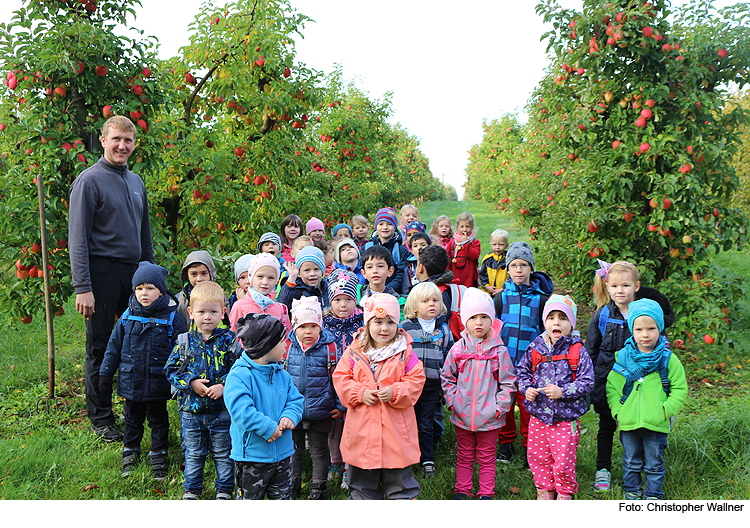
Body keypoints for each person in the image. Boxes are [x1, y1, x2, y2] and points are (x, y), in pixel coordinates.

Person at [68, 115, 155, 443]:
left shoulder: (136, 182)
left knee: (137, 342)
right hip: (101, 274)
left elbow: (144, 234)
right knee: (101, 347)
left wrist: (151, 277)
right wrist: (84, 287)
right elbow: (77, 238)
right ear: (103, 140)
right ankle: (101, 417)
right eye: (116, 139)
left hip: (133, 274)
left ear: (134, 145)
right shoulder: (89, 181)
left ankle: (133, 409)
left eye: (128, 141)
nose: (122, 146)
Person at [587, 260, 674, 492]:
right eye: (614, 286)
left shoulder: (648, 313)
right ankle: (602, 469)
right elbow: (590, 352)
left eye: (625, 285)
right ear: (607, 287)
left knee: (639, 429)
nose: (619, 291)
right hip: (608, 383)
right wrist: (590, 383)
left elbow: (661, 349)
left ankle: (642, 469)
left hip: (641, 385)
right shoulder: (602, 316)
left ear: (636, 286)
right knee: (606, 426)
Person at [332, 293, 426, 500]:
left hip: (396, 435)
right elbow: (340, 378)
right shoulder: (354, 351)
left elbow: (416, 380)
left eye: (390, 322)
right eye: (378, 322)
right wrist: (360, 393)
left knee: (401, 487)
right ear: (367, 324)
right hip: (361, 435)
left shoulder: (405, 352)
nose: (384, 328)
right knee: (362, 489)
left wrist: (395, 391)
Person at [99, 262, 187, 479]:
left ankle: (158, 454)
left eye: (149, 288)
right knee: (132, 418)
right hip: (132, 380)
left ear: (161, 290)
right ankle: (130, 452)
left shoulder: (172, 317)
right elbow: (113, 346)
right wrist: (105, 373)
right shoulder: (128, 316)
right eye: (139, 288)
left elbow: (182, 349)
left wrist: (181, 377)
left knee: (158, 420)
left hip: (158, 381)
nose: (143, 293)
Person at [165, 281, 242, 500]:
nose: (207, 316)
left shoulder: (230, 341)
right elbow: (170, 371)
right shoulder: (184, 342)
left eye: (213, 311)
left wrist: (223, 385)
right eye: (201, 311)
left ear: (223, 312)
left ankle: (225, 490)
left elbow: (240, 370)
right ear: (190, 313)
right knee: (194, 453)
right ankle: (191, 489)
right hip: (191, 413)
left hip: (222, 411)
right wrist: (191, 383)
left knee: (223, 453)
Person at [606, 299, 687, 500]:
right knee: (631, 461)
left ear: (659, 328)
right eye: (639, 329)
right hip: (629, 421)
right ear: (632, 330)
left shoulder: (668, 359)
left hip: (656, 422)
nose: (645, 334)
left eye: (651, 328)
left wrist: (665, 410)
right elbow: (612, 387)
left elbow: (679, 388)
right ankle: (632, 493)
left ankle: (653, 496)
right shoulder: (623, 357)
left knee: (654, 463)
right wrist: (618, 410)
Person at [516, 294, 594, 500]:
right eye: (551, 317)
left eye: (563, 318)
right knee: (538, 457)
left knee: (563, 460)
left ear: (571, 323)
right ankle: (544, 490)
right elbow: (522, 372)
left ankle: (564, 492)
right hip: (539, 417)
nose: (556, 322)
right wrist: (527, 389)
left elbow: (587, 381)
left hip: (564, 418)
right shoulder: (535, 347)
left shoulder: (577, 350)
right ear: (545, 322)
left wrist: (563, 392)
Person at [441, 288, 515, 499]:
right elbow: (447, 378)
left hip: (490, 416)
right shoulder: (458, 350)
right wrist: (454, 402)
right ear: (465, 320)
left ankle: (486, 493)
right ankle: (462, 490)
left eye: (484, 317)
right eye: (473, 317)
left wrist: (499, 407)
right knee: (464, 454)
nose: (479, 322)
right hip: (462, 414)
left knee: (487, 456)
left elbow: (508, 382)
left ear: (491, 320)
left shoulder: (498, 351)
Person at [224, 313, 304, 500]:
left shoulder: (281, 373)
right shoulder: (240, 376)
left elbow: (295, 400)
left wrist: (290, 416)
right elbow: (240, 410)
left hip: (283, 454)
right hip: (253, 457)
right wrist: (267, 427)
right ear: (266, 346)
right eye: (282, 341)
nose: (286, 345)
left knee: (283, 498)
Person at [494, 241, 554, 463]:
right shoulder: (500, 299)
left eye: (523, 265)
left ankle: (532, 445)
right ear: (508, 269)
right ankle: (506, 443)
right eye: (514, 265)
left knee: (530, 405)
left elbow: (545, 332)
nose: (518, 270)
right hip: (506, 363)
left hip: (532, 366)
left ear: (531, 268)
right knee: (506, 404)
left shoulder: (541, 300)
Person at [285, 296, 342, 500]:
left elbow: (339, 379)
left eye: (313, 326)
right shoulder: (287, 348)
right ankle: (292, 486)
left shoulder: (330, 348)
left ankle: (318, 489)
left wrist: (340, 405)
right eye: (302, 326)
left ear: (320, 326)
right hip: (293, 411)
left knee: (319, 451)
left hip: (321, 409)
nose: (308, 331)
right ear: (294, 326)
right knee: (294, 450)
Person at [401, 282, 453, 478]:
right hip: (408, 385)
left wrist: (445, 384)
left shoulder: (444, 330)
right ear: (414, 306)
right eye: (425, 301)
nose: (431, 304)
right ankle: (407, 456)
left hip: (432, 385)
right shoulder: (405, 328)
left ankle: (427, 458)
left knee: (426, 422)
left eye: (435, 300)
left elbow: (449, 358)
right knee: (407, 421)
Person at [322, 269, 363, 490]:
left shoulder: (362, 322)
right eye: (338, 300)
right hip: (330, 383)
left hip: (355, 384)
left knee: (352, 427)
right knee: (334, 427)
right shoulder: (324, 324)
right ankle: (335, 461)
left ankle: (350, 465)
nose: (343, 305)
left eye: (348, 299)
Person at [229, 253, 291, 333]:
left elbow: (287, 337)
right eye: (260, 277)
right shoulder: (239, 307)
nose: (265, 282)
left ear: (276, 280)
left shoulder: (280, 309)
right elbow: (233, 335)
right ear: (251, 277)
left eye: (271, 278)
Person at [176, 250, 229, 330]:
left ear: (211, 274)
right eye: (194, 274)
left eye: (204, 273)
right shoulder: (179, 300)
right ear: (187, 275)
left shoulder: (219, 298)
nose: (199, 279)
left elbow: (228, 325)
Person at [361, 207, 409, 293]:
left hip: (392, 293)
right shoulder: (366, 247)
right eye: (381, 224)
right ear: (376, 227)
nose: (385, 227)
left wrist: (384, 290)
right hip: (369, 292)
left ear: (395, 227)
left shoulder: (400, 250)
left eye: (389, 224)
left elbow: (400, 275)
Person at [278, 245, 329, 312]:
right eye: (307, 270)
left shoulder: (329, 288)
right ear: (299, 273)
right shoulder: (296, 291)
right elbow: (283, 305)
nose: (312, 274)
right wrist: (291, 279)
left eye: (316, 269)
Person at [446, 212, 481, 288]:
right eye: (462, 226)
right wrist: (447, 275)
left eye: (467, 226)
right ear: (457, 227)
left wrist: (466, 243)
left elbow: (474, 256)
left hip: (469, 280)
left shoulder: (475, 243)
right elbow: (447, 258)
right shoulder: (452, 243)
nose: (464, 229)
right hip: (455, 279)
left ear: (472, 227)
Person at [478, 229, 509, 297]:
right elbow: (482, 275)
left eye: (501, 244)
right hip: (488, 293)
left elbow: (511, 277)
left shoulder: (509, 260)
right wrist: (486, 286)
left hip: (504, 293)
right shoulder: (488, 259)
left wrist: (503, 288)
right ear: (491, 244)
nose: (497, 247)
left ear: (506, 245)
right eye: (494, 244)